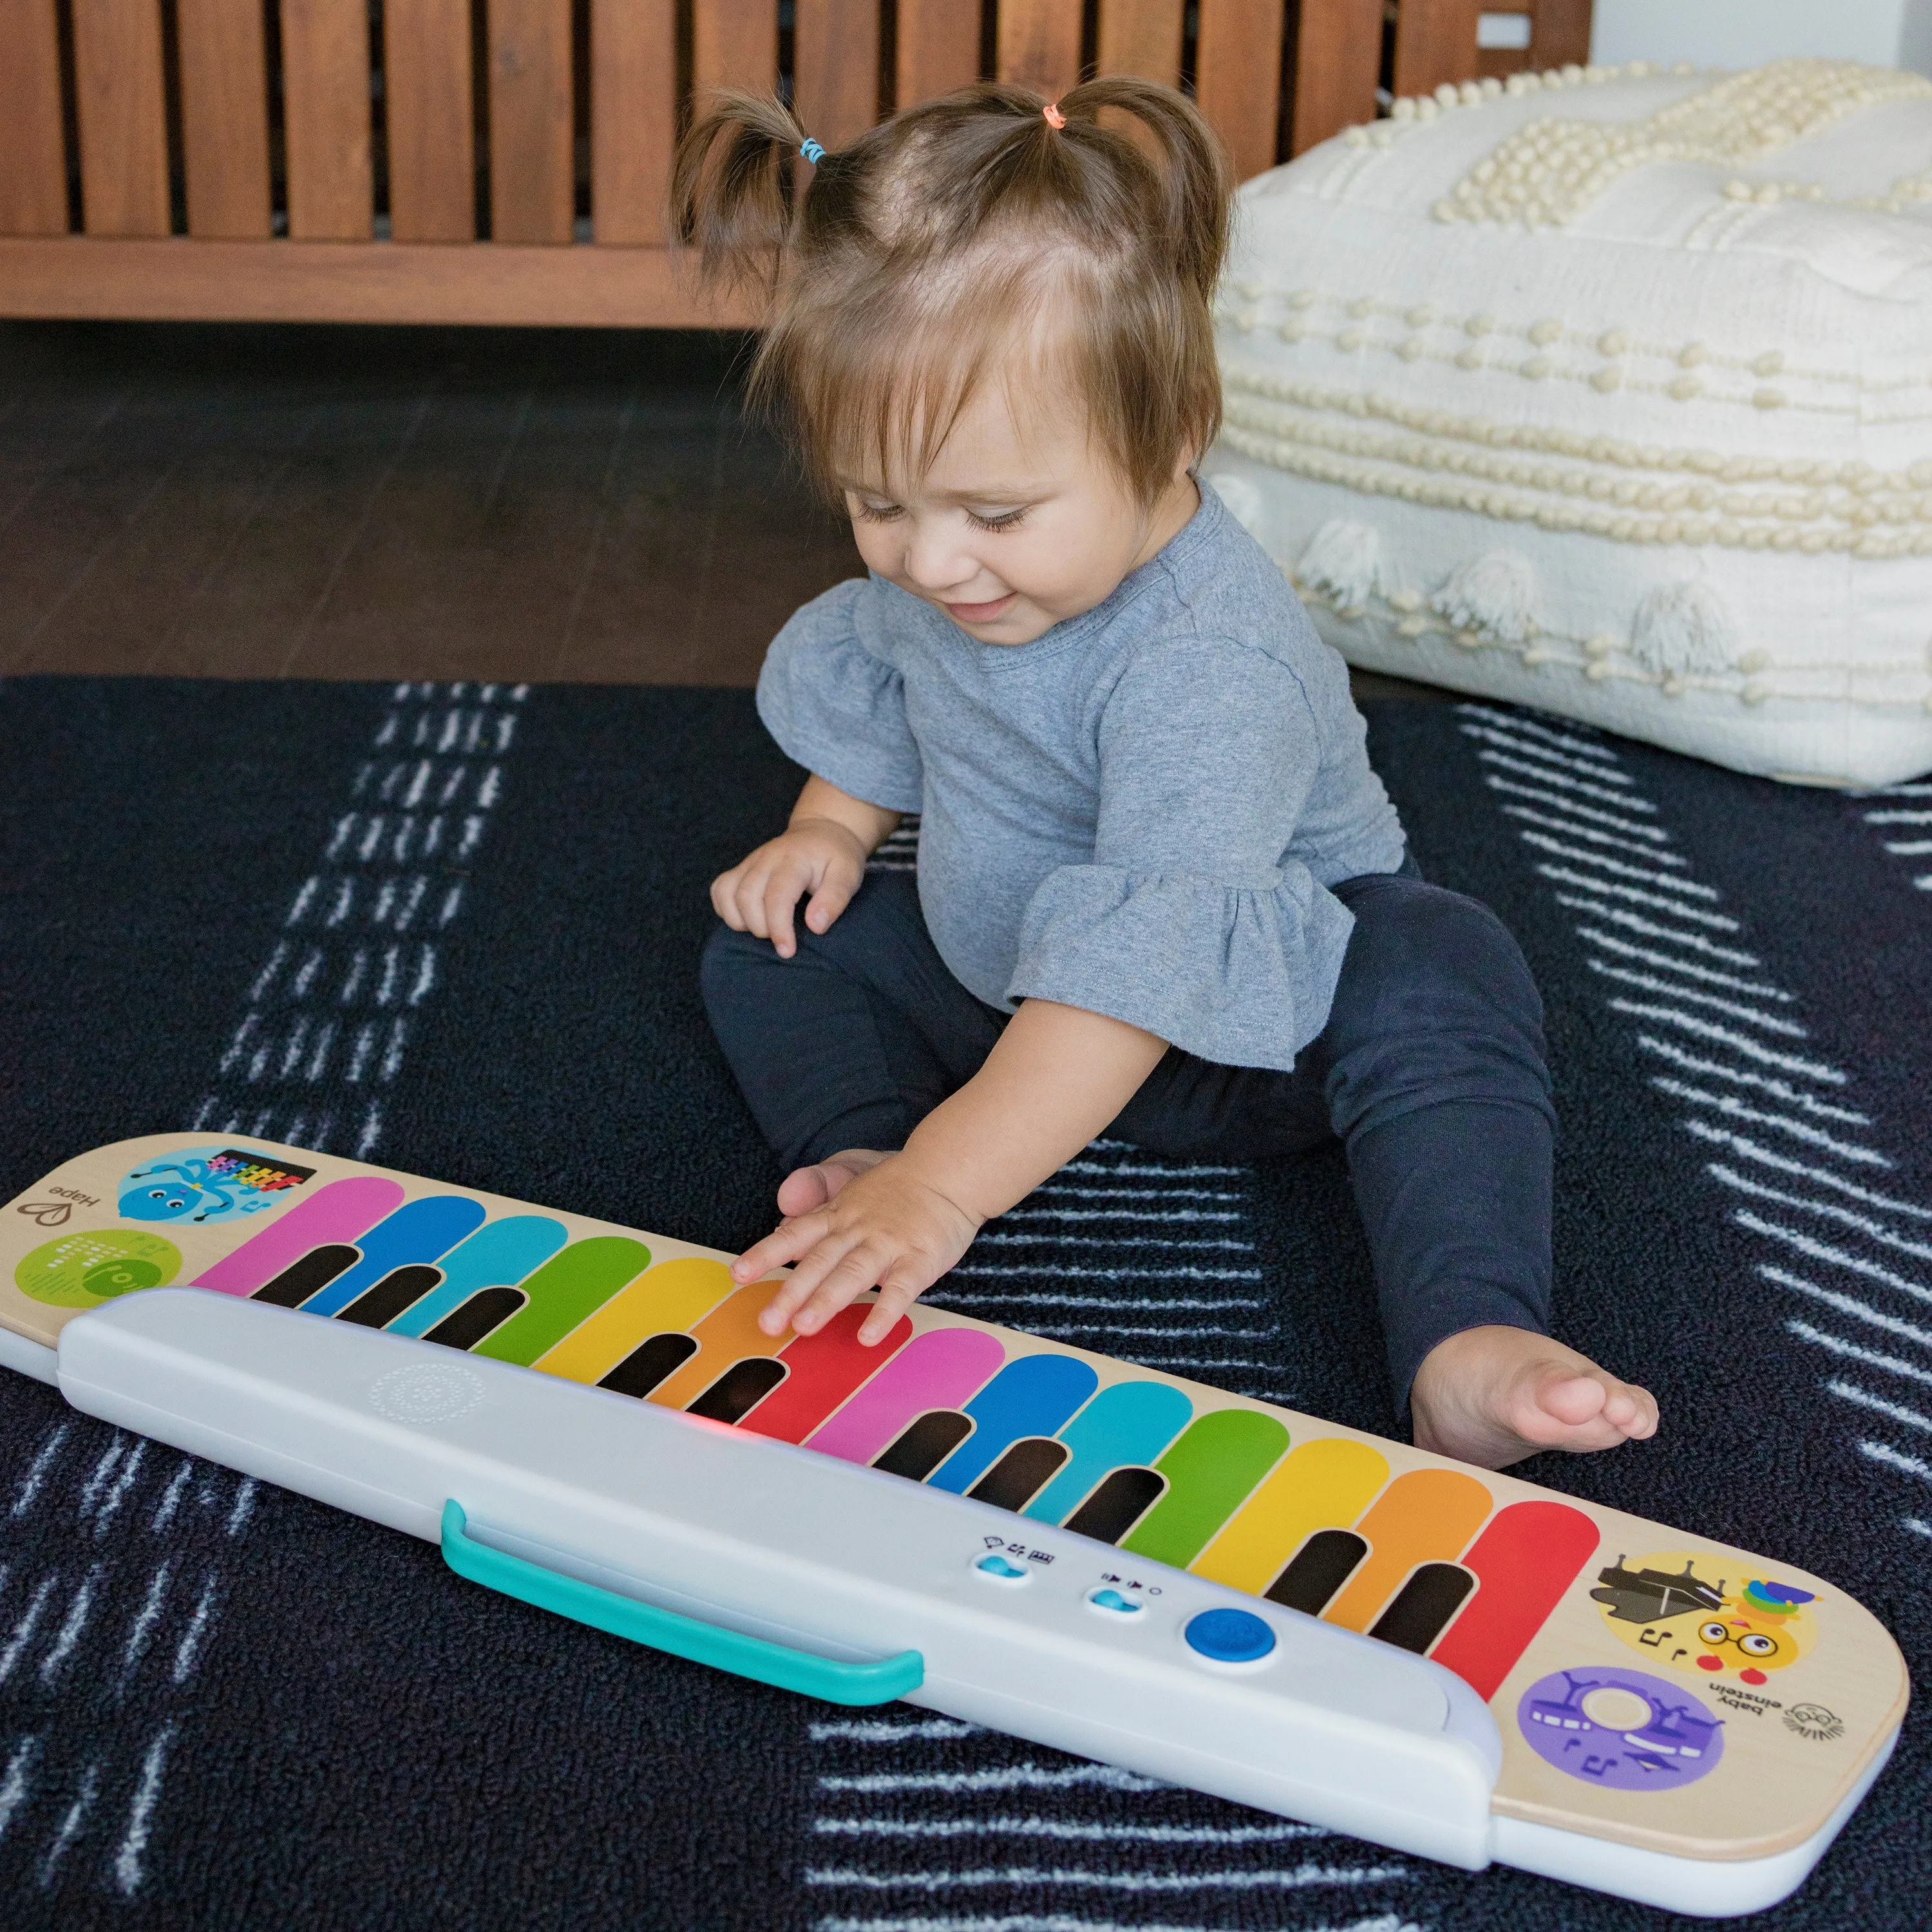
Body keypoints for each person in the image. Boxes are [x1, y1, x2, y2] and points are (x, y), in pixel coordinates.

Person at [675, 78, 1657, 1470]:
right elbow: (890, 677)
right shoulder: (952, 579)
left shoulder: (1209, 665)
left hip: (1255, 1026)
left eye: (996, 514)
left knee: (1445, 970)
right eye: (879, 502)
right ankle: (862, 1158)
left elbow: (1140, 976)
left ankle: (1467, 1337)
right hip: (1003, 978)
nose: (933, 560)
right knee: (767, 940)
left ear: (1173, 433)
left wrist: (955, 1195)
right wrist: (831, 830)